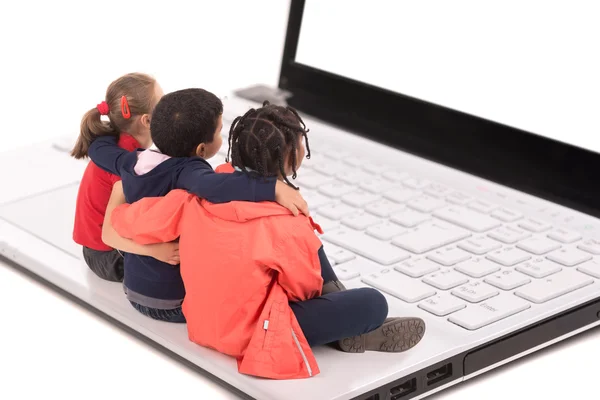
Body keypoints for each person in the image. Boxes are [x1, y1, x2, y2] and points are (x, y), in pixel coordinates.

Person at [106, 101, 426, 379]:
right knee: (372, 303)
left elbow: (130, 219)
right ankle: (350, 332)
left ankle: (342, 320)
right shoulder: (286, 223)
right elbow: (304, 291)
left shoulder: (193, 193)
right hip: (255, 334)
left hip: (201, 323)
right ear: (292, 159)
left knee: (302, 256)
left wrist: (122, 200)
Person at [87, 90, 308, 323]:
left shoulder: (131, 161)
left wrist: (105, 125)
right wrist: (272, 186)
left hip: (133, 290)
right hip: (174, 301)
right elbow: (216, 185)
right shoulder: (187, 170)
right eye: (220, 131)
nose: (222, 137)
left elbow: (98, 150)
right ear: (201, 150)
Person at [71, 72, 179, 283]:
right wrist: (156, 251)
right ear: (147, 121)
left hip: (99, 250)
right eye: (163, 104)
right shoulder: (128, 166)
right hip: (107, 256)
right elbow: (112, 233)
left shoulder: (119, 150)